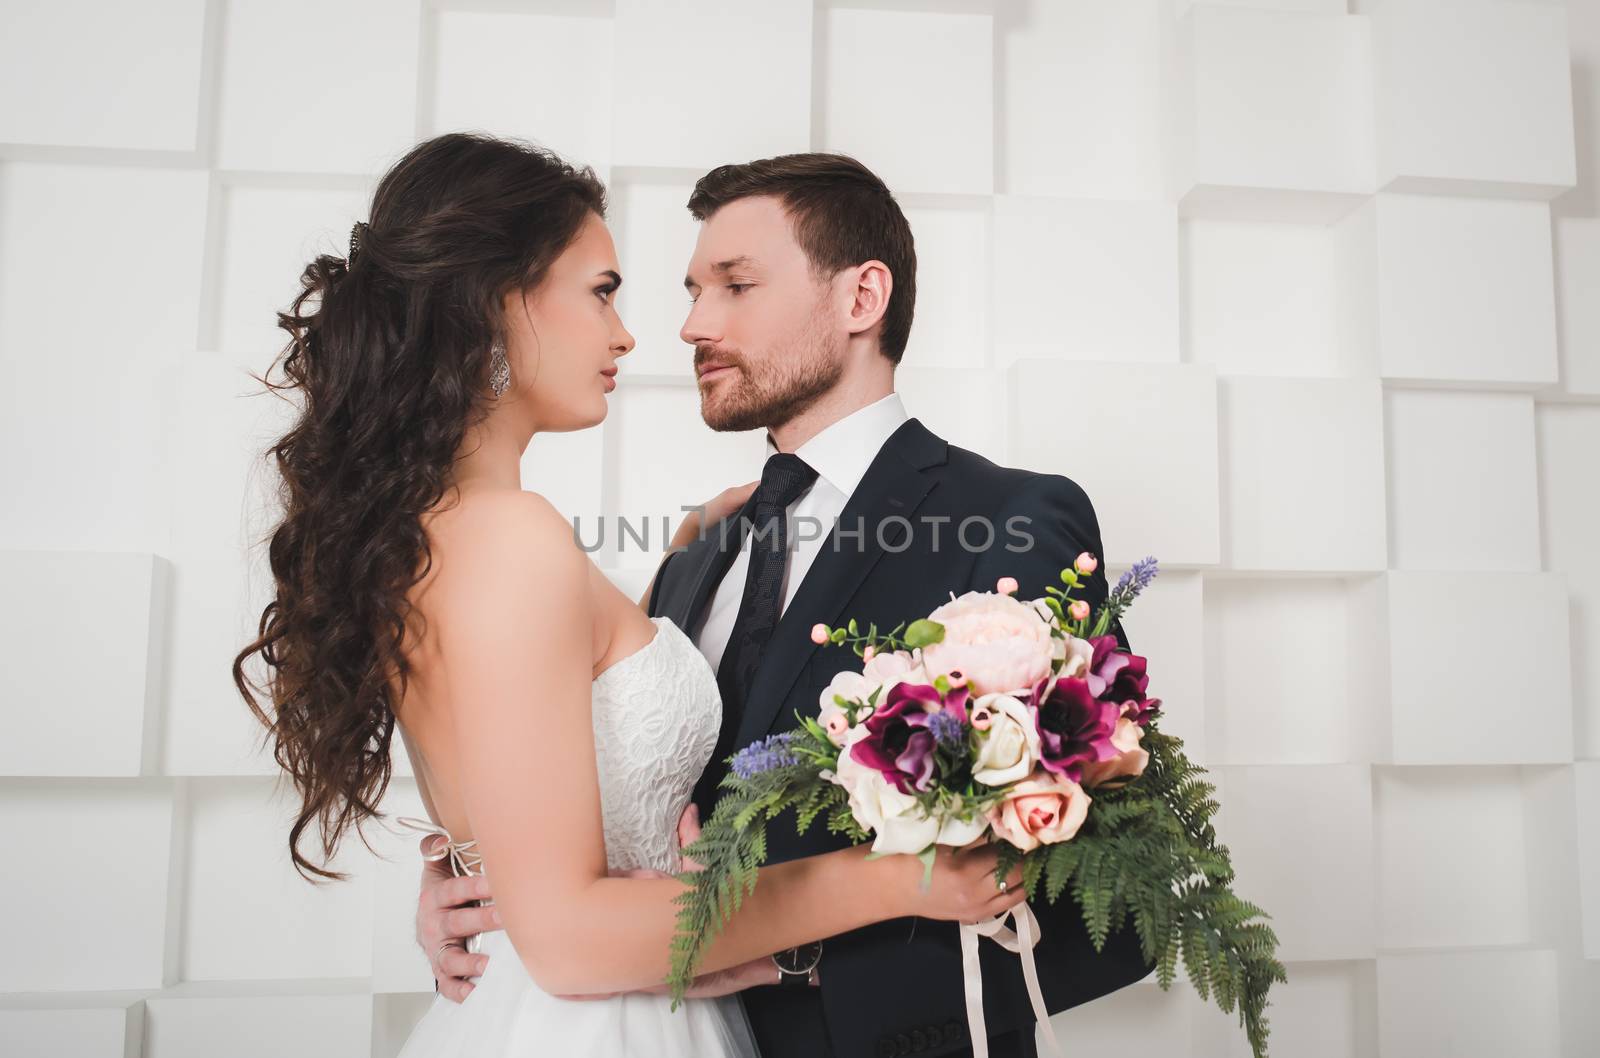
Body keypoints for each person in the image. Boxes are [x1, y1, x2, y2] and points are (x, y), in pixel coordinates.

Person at [233, 132, 1026, 1058]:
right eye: (606, 292)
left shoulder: (473, 536)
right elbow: (569, 935)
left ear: (863, 296)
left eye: (734, 285)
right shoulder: (517, 536)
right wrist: (898, 880)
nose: (659, 330)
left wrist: (483, 867)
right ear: (499, 303)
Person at [418, 152, 1156, 1057]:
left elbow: (1119, 905)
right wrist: (480, 877)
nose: (691, 324)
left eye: (735, 286)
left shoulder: (1003, 521)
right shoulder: (693, 566)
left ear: (861, 298)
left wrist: (802, 965)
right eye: (692, 290)